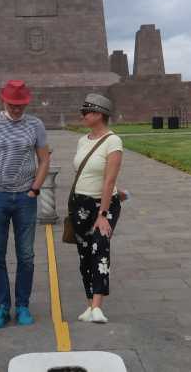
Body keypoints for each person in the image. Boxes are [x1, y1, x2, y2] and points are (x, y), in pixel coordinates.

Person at [0, 80, 50, 330]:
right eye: (13, 104)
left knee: (26, 255)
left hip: (25, 198)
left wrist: (35, 189)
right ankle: (2, 306)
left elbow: (44, 159)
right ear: (3, 100)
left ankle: (23, 305)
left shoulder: (35, 124)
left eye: (21, 105)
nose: (17, 109)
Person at [72, 93, 123, 323]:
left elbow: (109, 180)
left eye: (87, 112)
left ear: (100, 114)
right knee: (84, 254)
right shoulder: (83, 140)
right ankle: (89, 304)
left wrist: (102, 214)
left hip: (103, 205)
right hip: (80, 204)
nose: (83, 116)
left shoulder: (113, 141)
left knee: (100, 247)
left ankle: (98, 306)